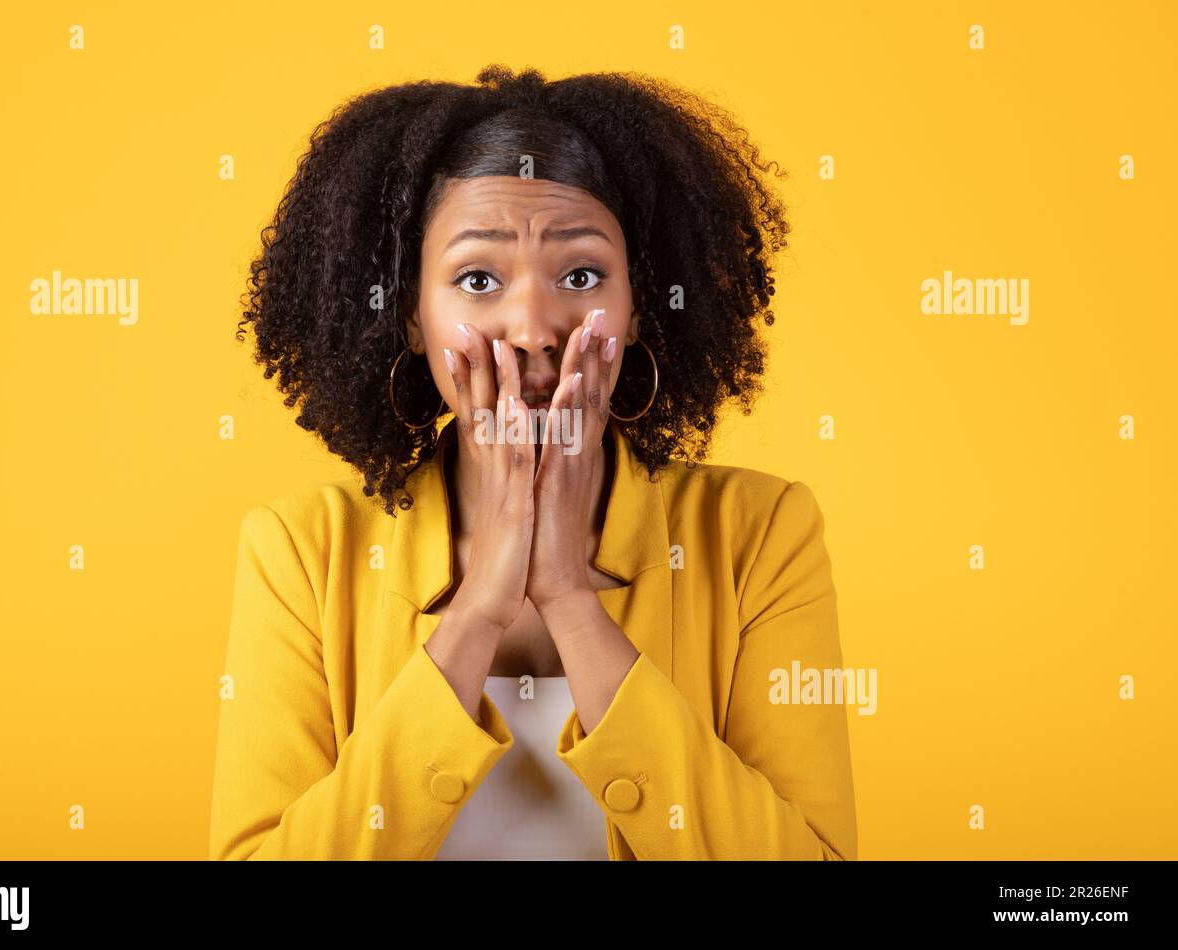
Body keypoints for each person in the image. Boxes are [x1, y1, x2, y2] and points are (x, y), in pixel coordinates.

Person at [208, 63, 857, 860]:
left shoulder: (761, 536)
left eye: (580, 275)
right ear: (412, 317)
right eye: (478, 278)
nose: (533, 328)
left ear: (638, 305)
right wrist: (477, 611)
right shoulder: (300, 552)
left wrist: (569, 599)